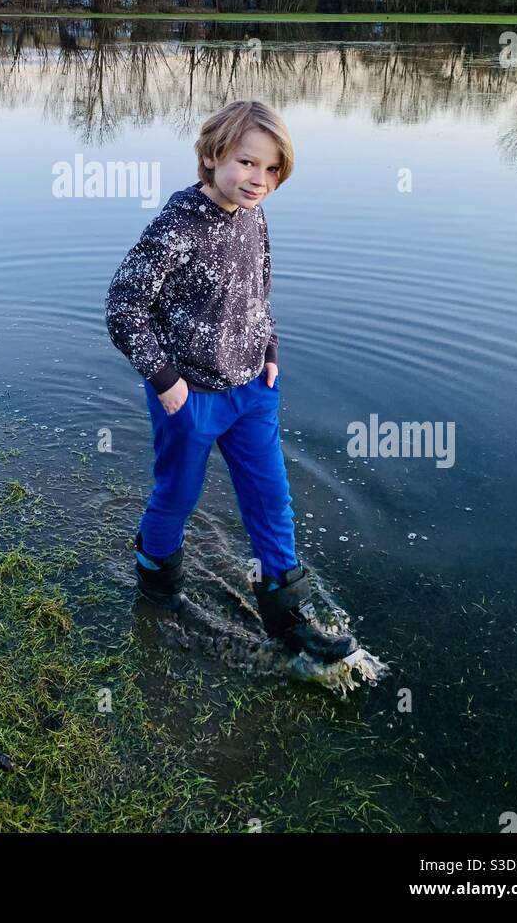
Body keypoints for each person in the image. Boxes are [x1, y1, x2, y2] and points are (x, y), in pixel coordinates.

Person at [104, 99, 357, 664]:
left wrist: (269, 348)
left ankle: (286, 609)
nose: (258, 180)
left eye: (271, 170)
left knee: (272, 498)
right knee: (178, 494)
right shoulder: (180, 223)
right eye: (247, 163)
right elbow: (124, 305)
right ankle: (156, 579)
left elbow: (258, 291)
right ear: (213, 154)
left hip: (252, 391)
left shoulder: (254, 214)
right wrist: (165, 379)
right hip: (189, 395)